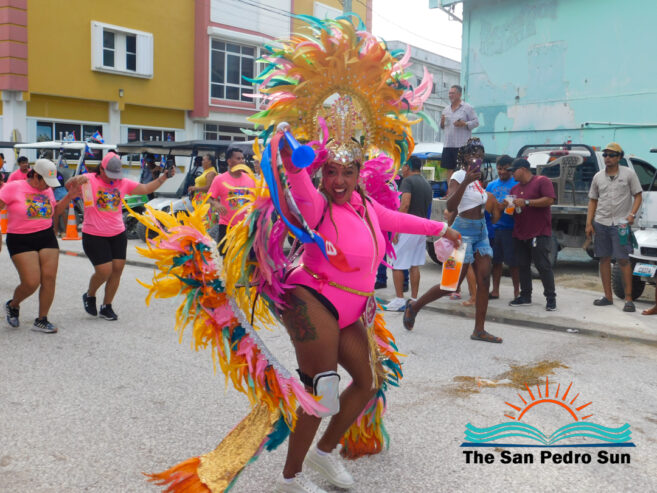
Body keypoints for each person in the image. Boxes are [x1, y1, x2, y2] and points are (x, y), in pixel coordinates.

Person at [403, 138, 503, 343]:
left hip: (481, 232)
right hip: (462, 232)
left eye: (480, 155)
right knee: (451, 284)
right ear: (464, 157)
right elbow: (451, 204)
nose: (477, 158)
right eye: (473, 154)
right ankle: (414, 306)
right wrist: (466, 181)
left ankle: (479, 330)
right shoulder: (459, 176)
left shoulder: (479, 180)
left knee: (485, 280)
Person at [76, 151, 174, 321]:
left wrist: (164, 177)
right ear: (101, 169)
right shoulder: (88, 180)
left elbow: (146, 188)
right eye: (109, 174)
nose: (113, 178)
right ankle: (90, 295)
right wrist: (75, 180)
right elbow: (69, 186)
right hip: (94, 233)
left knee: (117, 270)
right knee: (104, 271)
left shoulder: (122, 182)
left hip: (117, 233)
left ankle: (107, 306)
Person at [1, 159, 84, 333]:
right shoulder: (13, 187)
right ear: (35, 176)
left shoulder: (47, 190)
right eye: (45, 181)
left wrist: (69, 196)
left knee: (49, 278)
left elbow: (55, 211)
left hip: (46, 237)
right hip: (20, 239)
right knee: (31, 282)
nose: (47, 186)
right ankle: (13, 304)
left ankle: (42, 319)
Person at [585, 143, 642, 312]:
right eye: (605, 155)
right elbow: (593, 200)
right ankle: (607, 297)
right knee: (604, 259)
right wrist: (589, 223)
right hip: (601, 222)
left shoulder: (629, 174)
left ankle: (628, 299)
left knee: (623, 260)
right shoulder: (598, 177)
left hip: (621, 224)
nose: (607, 158)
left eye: (611, 155)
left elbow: (638, 195)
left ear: (619, 157)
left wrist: (632, 214)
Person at [385, 156, 434, 311]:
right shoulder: (426, 183)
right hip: (421, 227)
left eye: (404, 166)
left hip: (407, 227)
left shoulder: (407, 181)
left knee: (397, 264)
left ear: (408, 166)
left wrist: (396, 229)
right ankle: (414, 299)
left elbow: (405, 204)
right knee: (414, 265)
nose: (402, 169)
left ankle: (399, 299)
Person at [508, 158, 557, 311]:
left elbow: (549, 200)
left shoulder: (542, 181)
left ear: (523, 169)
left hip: (539, 232)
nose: (511, 174)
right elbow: (512, 210)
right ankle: (525, 296)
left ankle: (550, 298)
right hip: (520, 233)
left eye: (513, 170)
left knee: (543, 265)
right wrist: (508, 207)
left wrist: (527, 202)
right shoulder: (514, 189)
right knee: (522, 265)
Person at [208, 147, 255, 253]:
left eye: (242, 158)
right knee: (226, 257)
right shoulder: (219, 179)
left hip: (246, 227)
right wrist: (216, 204)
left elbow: (256, 200)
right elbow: (209, 199)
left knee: (247, 258)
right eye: (238, 159)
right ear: (229, 161)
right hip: (227, 226)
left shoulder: (250, 179)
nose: (242, 161)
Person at [486, 155, 520, 299]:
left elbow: (518, 207)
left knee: (513, 263)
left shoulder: (516, 185)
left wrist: (506, 207)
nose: (502, 172)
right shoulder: (491, 185)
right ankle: (495, 291)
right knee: (496, 261)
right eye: (499, 169)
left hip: (510, 228)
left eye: (506, 169)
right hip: (494, 229)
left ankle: (517, 292)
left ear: (511, 169)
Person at [440, 85, 479, 182]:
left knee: (463, 169)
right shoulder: (445, 109)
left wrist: (464, 124)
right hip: (448, 144)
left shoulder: (467, 108)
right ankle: (450, 190)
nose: (450, 95)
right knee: (449, 169)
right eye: (449, 93)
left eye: (453, 93)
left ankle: (463, 188)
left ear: (459, 94)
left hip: (462, 145)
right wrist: (442, 123)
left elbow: (476, 122)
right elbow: (442, 127)